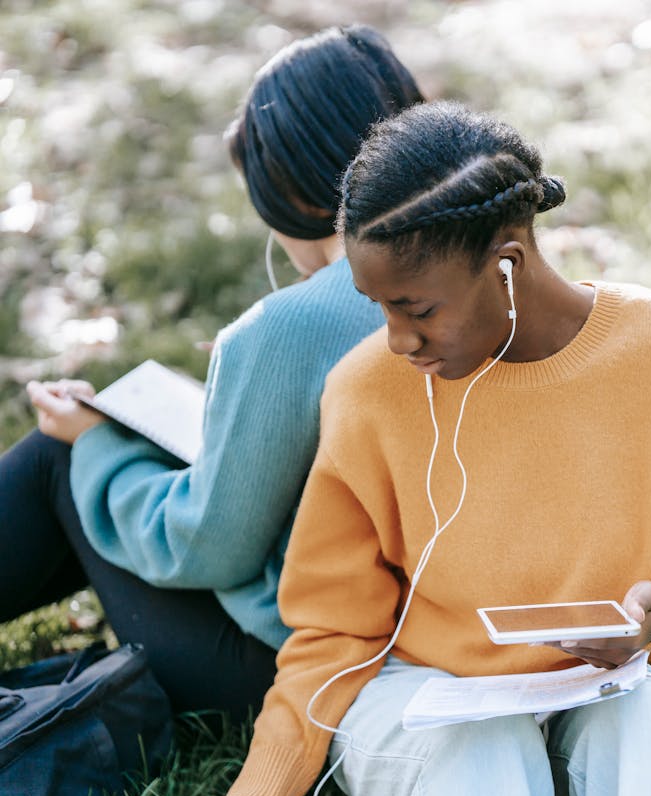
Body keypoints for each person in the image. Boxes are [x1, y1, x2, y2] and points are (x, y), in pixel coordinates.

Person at [117, 101, 651, 796]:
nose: (398, 340)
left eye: (416, 308)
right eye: (380, 309)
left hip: (606, 696)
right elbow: (336, 630)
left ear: (506, 265)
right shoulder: (366, 390)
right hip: (425, 710)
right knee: (483, 747)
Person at [0, 25, 421, 717]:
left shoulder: (291, 326)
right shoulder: (484, 274)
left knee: (59, 461)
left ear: (291, 192)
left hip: (303, 668)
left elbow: (206, 546)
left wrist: (98, 445)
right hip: (447, 646)